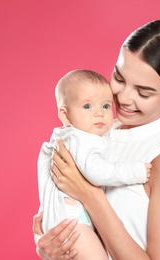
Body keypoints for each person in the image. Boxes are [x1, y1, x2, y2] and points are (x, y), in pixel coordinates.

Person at [33, 19, 160, 259]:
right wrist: (50, 245)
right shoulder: (102, 131)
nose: (123, 98)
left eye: (143, 92)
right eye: (119, 78)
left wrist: (91, 196)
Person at [37, 70, 151, 260]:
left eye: (106, 106)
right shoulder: (81, 139)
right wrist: (136, 171)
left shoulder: (65, 137)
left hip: (61, 221)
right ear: (65, 115)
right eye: (87, 106)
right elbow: (96, 172)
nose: (99, 113)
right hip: (72, 224)